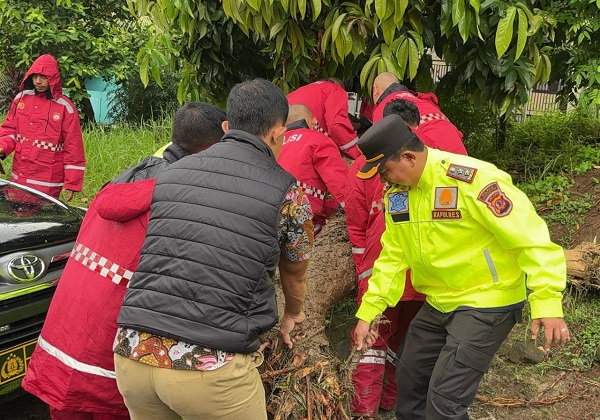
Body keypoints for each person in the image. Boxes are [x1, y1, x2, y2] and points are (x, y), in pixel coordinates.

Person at [113, 78, 314, 420]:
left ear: (226, 125)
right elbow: (295, 271)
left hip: (132, 352)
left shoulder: (172, 173)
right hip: (209, 368)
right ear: (279, 132)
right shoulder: (287, 191)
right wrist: (292, 313)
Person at [352, 114, 570, 420]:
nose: (384, 181)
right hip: (439, 301)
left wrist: (546, 302)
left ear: (409, 157)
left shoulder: (473, 180)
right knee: (410, 381)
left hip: (488, 300)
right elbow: (393, 257)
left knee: (445, 402)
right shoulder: (399, 195)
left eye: (386, 172)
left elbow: (531, 239)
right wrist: (369, 312)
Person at [21, 102, 227, 420]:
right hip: (107, 348)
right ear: (212, 148)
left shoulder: (125, 179)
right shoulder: (178, 200)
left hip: (64, 336)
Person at [347, 99, 468, 418]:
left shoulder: (363, 165)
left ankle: (364, 409)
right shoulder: (441, 163)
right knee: (408, 340)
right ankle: (391, 400)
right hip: (425, 272)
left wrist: (364, 274)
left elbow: (357, 224)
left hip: (382, 266)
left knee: (372, 339)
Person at [0, 54, 85, 201]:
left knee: (43, 219)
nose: (38, 81)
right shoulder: (21, 99)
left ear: (53, 79)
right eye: (35, 76)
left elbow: (73, 147)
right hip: (20, 177)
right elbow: (10, 130)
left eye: (43, 77)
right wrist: (2, 147)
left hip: (48, 181)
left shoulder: (65, 107)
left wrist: (72, 183)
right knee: (19, 218)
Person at [278, 104, 349, 236]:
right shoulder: (317, 140)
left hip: (270, 214)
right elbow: (341, 183)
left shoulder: (275, 144)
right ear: (312, 121)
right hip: (301, 215)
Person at [370, 72, 467, 155]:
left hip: (435, 161)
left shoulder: (385, 108)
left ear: (375, 89)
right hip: (463, 162)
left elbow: (381, 150)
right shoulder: (426, 103)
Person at [287, 78, 361, 159]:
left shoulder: (301, 92)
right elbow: (337, 125)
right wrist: (358, 152)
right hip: (305, 140)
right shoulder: (335, 89)